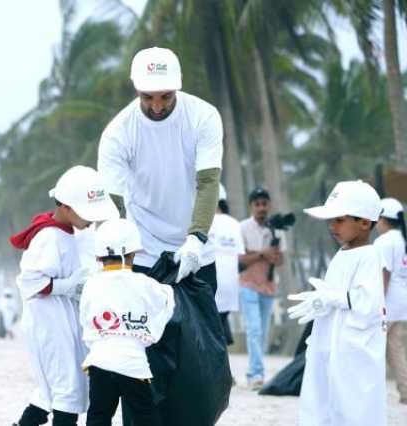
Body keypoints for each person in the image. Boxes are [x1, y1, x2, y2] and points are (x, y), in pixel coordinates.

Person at [97, 46, 222, 282]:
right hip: (143, 256)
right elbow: (113, 203)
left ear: (178, 85)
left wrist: (196, 239)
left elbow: (208, 182)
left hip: (196, 251)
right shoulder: (117, 132)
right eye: (147, 97)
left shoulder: (204, 116)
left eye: (166, 96)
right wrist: (110, 257)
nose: (157, 106)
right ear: (136, 88)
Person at [10, 165, 119, 426]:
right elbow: (31, 281)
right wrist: (67, 286)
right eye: (88, 214)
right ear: (67, 207)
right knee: (66, 388)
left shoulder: (72, 232)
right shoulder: (48, 236)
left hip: (63, 318)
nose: (92, 220)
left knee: (52, 388)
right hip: (49, 321)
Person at [288, 180, 386, 426]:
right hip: (329, 345)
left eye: (339, 219)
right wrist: (320, 304)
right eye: (330, 220)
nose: (332, 226)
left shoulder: (370, 256)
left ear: (364, 222)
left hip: (354, 351)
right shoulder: (342, 254)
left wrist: (332, 298)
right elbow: (334, 295)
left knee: (354, 407)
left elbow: (368, 302)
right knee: (321, 401)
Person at [80, 218, 175, 426]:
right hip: (133, 365)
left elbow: (85, 319)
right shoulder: (145, 283)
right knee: (145, 418)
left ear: (97, 255)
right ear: (133, 253)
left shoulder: (90, 285)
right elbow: (167, 302)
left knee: (98, 417)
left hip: (99, 362)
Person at [238, 187, 287, 390]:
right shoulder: (242, 228)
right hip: (248, 284)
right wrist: (262, 254)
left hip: (268, 285)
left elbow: (282, 259)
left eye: (264, 203)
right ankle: (255, 374)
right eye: (257, 204)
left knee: (263, 332)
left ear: (269, 205)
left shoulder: (277, 229)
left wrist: (275, 255)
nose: (261, 207)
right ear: (251, 206)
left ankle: (255, 371)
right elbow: (239, 261)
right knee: (255, 329)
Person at [374, 197, 407, 404]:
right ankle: (404, 389)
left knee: (378, 347)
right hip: (402, 301)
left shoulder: (384, 242)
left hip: (388, 302)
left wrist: (378, 304)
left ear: (383, 220)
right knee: (395, 347)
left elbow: (383, 275)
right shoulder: (403, 239)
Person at [209, 184, 245, 353]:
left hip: (211, 284)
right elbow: (239, 255)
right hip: (230, 285)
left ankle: (220, 373)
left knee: (212, 331)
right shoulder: (234, 224)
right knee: (220, 327)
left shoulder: (206, 222)